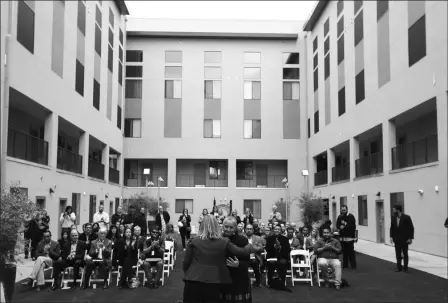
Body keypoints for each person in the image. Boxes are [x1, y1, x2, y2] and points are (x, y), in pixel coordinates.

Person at [182, 215, 261, 303]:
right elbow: (240, 251)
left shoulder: (194, 241)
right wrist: (254, 248)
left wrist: (188, 274)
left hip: (193, 279)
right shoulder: (223, 241)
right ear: (219, 226)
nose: (228, 229)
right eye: (226, 227)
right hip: (214, 280)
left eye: (231, 227)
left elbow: (186, 263)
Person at [314, 224, 342, 290]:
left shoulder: (335, 241)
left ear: (330, 233)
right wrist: (324, 247)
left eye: (327, 233)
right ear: (322, 233)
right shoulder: (319, 241)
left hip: (334, 259)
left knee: (338, 264)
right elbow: (315, 251)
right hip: (323, 258)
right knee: (322, 263)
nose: (326, 234)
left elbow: (339, 251)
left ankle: (337, 283)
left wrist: (332, 247)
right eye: (324, 233)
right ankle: (326, 280)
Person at [390, 204, 414, 273]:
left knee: (405, 254)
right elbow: (392, 228)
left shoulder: (407, 217)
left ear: (398, 210)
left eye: (394, 209)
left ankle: (405, 268)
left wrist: (410, 238)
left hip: (405, 239)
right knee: (398, 254)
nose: (393, 211)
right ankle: (399, 268)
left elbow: (411, 228)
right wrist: (391, 237)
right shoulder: (393, 218)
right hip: (396, 239)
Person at [244, 224, 265, 288]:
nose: (249, 230)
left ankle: (258, 283)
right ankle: (244, 283)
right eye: (247, 229)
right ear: (245, 230)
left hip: (254, 257)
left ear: (253, 230)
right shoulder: (241, 237)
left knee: (255, 264)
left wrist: (252, 248)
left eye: (250, 229)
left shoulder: (257, 238)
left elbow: (261, 248)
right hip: (244, 257)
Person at [336, 205, 357, 270]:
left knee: (351, 252)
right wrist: (339, 227)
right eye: (342, 210)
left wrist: (345, 224)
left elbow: (352, 226)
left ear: (347, 210)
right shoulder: (340, 216)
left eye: (344, 210)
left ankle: (353, 266)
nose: (343, 211)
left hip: (350, 237)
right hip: (342, 237)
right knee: (344, 252)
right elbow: (337, 225)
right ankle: (345, 266)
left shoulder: (351, 216)